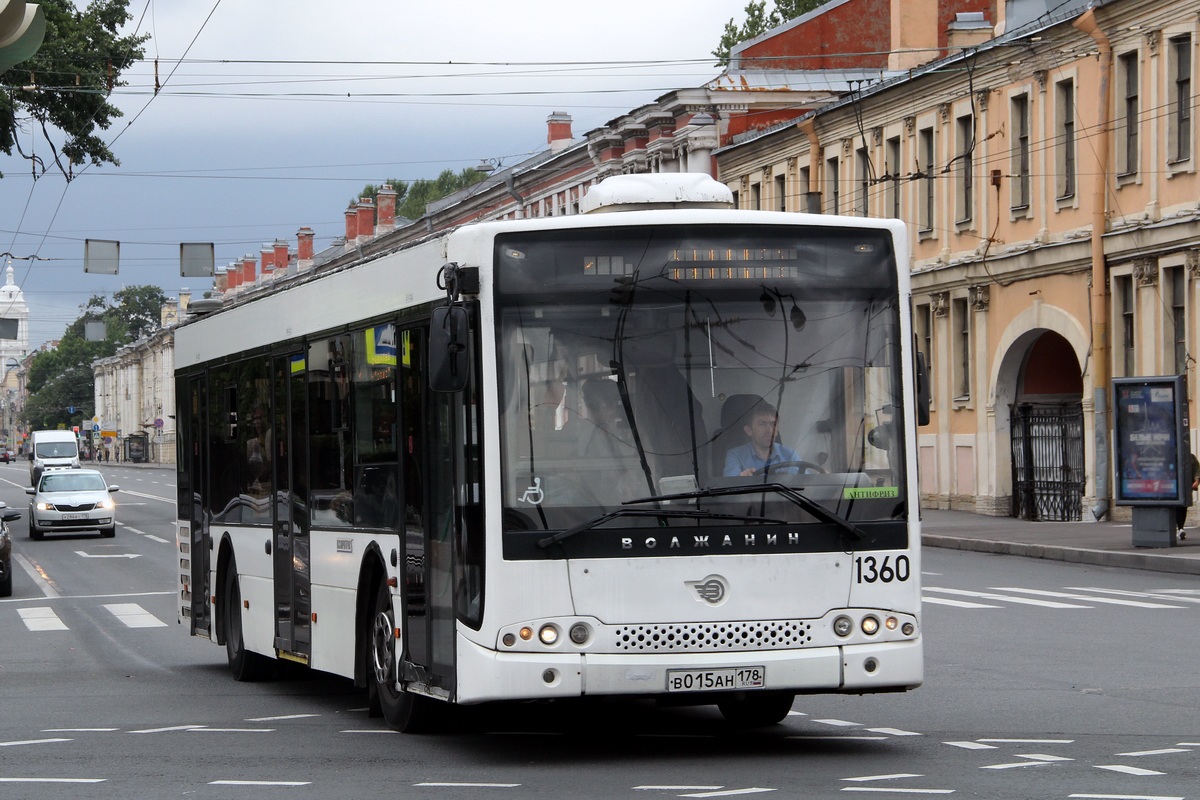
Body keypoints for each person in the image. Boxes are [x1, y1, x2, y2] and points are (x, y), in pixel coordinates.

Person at [723, 399, 803, 477]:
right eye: (762, 424)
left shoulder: (790, 455)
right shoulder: (735, 455)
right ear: (749, 430)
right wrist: (741, 480)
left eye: (773, 424)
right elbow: (728, 484)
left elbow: (806, 485)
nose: (770, 430)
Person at [1178, 452, 1199, 540]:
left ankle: (1180, 528)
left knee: (1184, 507)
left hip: (1187, 486)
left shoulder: (1191, 457)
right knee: (1177, 507)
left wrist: (1197, 481)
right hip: (1176, 486)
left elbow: (1197, 470)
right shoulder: (1172, 455)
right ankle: (1180, 528)